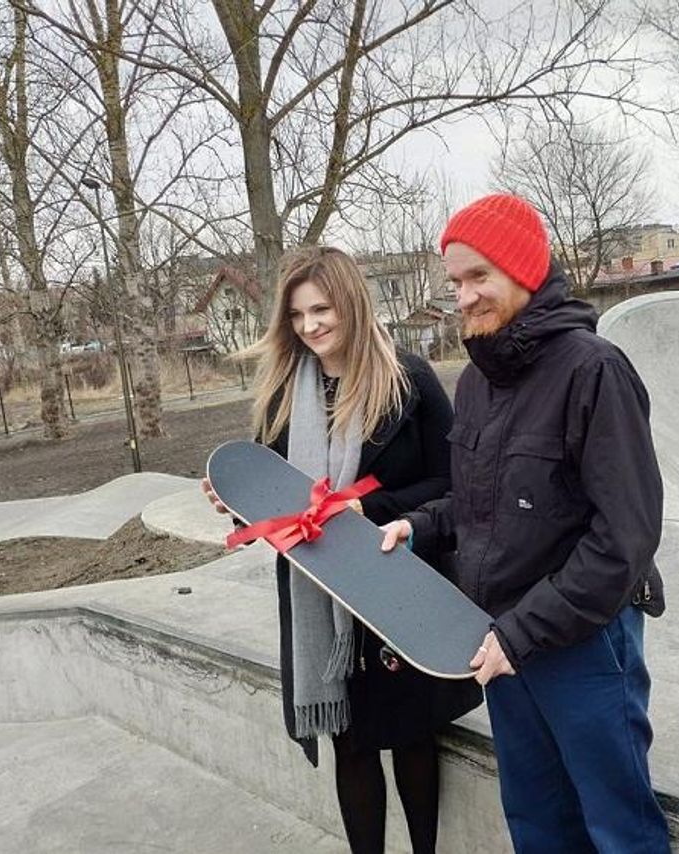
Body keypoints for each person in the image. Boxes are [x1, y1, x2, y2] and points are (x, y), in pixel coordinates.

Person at [380, 194, 671, 853]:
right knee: (538, 826)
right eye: (454, 281)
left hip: (584, 646)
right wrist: (419, 527)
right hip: (501, 644)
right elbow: (477, 499)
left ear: (523, 270)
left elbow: (625, 536)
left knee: (619, 829)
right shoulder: (478, 381)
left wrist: (523, 632)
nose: (463, 296)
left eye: (478, 276)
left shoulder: (593, 371)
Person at [204, 245, 481, 854]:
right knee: (349, 743)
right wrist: (237, 499)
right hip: (319, 593)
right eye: (298, 316)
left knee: (411, 736)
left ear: (351, 304)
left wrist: (368, 510)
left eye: (322, 310)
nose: (310, 327)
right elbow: (273, 491)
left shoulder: (408, 379)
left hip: (393, 586)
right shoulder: (281, 394)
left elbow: (456, 483)